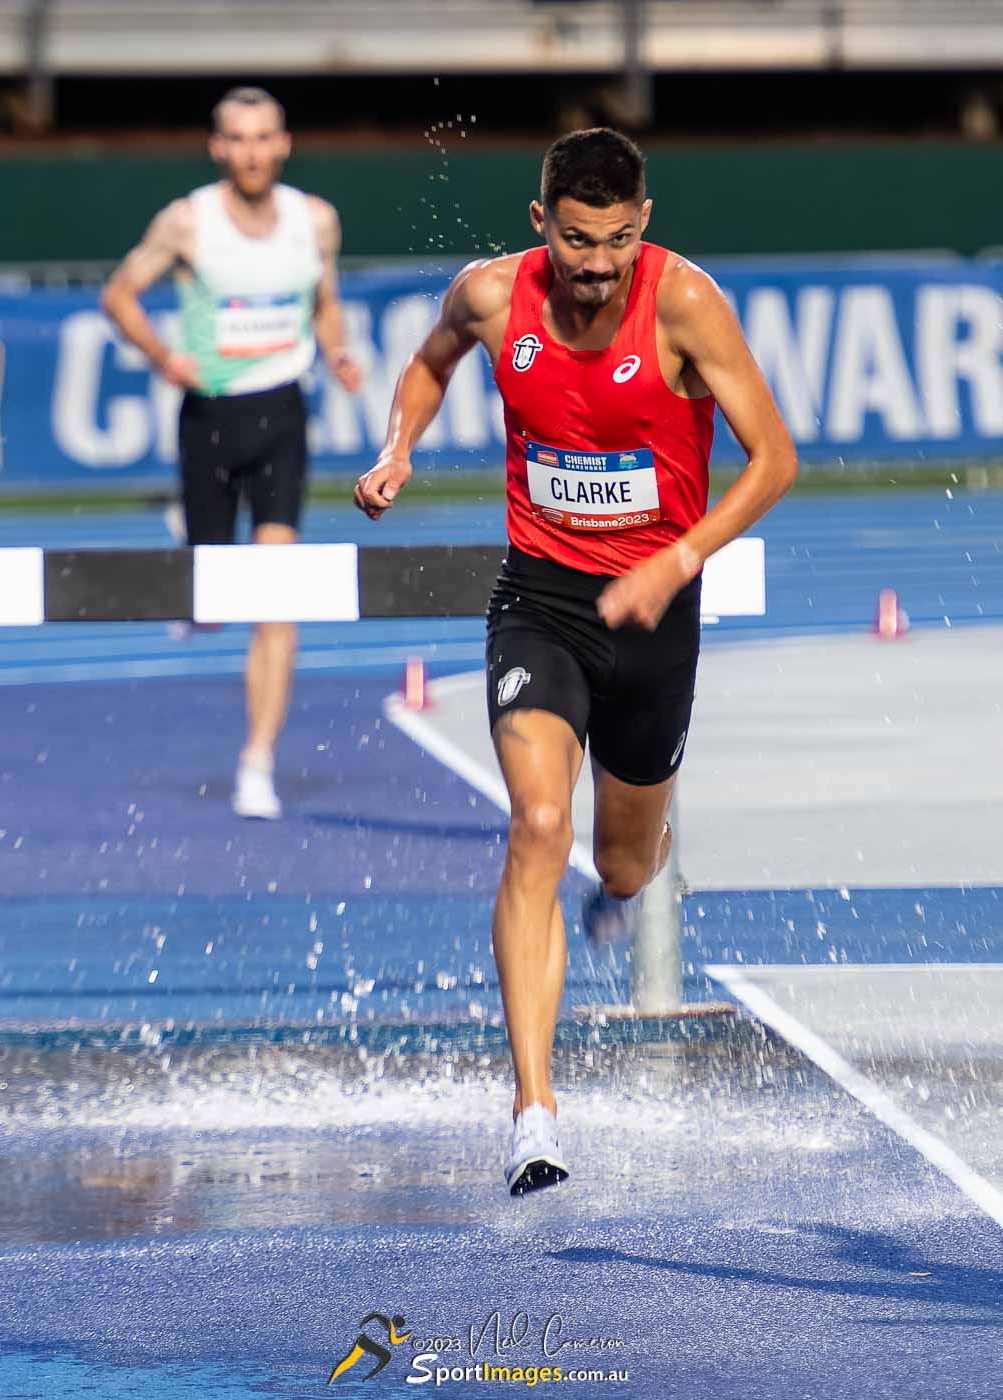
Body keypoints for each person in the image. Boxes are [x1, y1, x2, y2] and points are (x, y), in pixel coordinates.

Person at [355, 127, 797, 1197]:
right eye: (576, 240)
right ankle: (534, 1112)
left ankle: (628, 876)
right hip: (540, 601)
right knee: (539, 824)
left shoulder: (685, 303)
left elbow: (775, 459)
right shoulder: (490, 295)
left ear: (643, 223)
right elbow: (429, 361)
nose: (597, 264)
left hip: (656, 611)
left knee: (627, 865)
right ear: (539, 222)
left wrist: (676, 560)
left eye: (616, 241)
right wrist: (398, 446)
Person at [102, 86, 361, 819]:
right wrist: (163, 356)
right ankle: (195, 547)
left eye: (264, 137)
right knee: (212, 600)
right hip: (210, 417)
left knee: (275, 600)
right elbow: (119, 294)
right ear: (218, 148)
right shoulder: (188, 221)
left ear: (284, 144)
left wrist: (337, 351)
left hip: (283, 414)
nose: (252, 152)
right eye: (238, 139)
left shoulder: (316, 220)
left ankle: (257, 763)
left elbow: (325, 301)